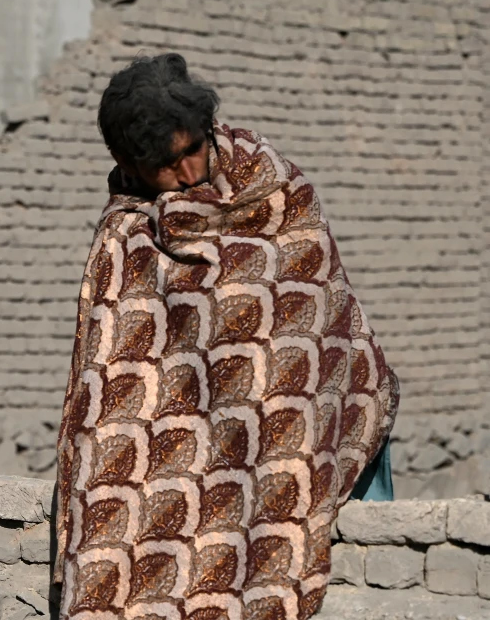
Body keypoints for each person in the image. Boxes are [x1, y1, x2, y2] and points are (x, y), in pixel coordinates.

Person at [54, 53, 398, 620]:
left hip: (299, 413)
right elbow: (115, 373)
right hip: (189, 429)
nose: (189, 172)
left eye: (193, 149)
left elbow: (316, 302)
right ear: (129, 164)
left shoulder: (274, 186)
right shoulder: (127, 234)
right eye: (167, 164)